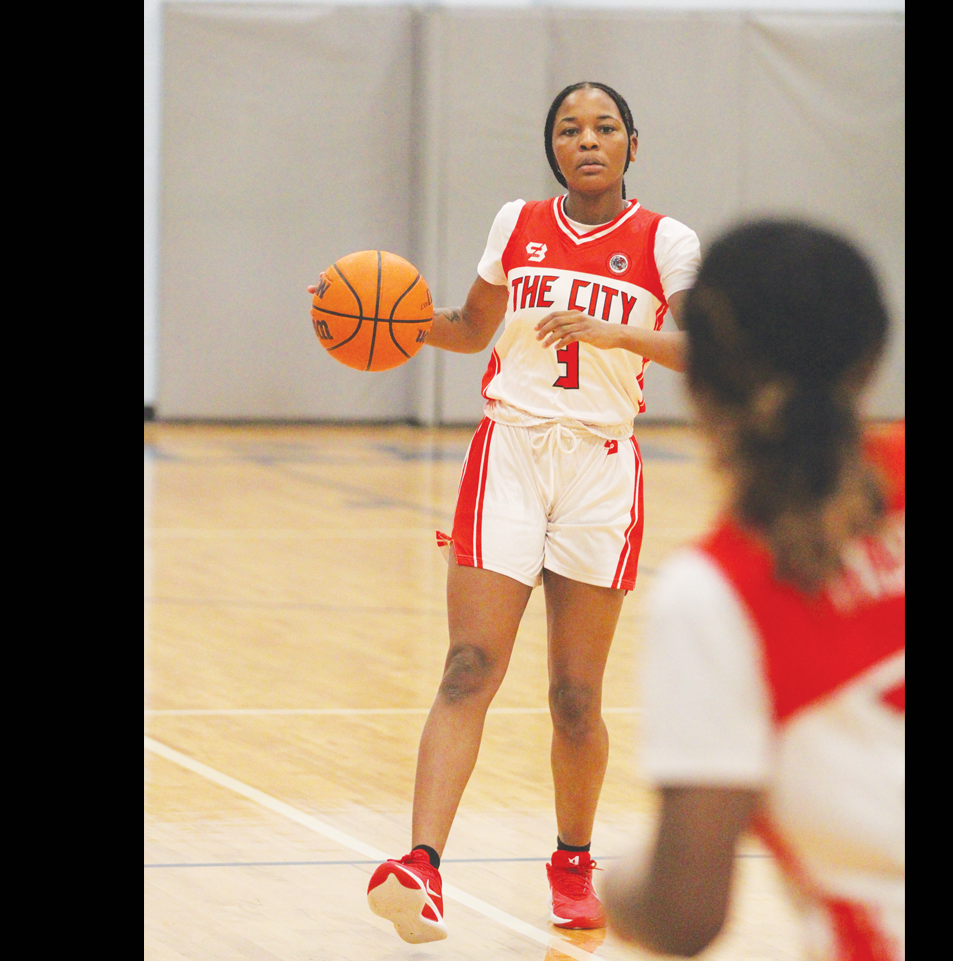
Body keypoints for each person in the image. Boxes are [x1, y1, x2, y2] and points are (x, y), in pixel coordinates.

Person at [311, 81, 701, 944]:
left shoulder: (665, 241)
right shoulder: (516, 224)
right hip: (511, 452)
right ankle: (421, 865)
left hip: (601, 467)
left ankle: (572, 859)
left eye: (604, 127)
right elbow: (467, 325)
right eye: (569, 129)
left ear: (632, 145)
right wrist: (374, 314)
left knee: (575, 697)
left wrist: (618, 334)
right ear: (552, 147)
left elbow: (706, 345)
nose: (587, 140)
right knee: (468, 664)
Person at [601, 220, 905, 960]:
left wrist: (619, 889)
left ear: (695, 381)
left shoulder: (716, 592)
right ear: (872, 358)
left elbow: (683, 913)